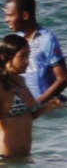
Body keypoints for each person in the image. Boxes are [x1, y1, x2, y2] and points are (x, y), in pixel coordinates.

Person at [5, 0, 65, 116]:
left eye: (10, 15)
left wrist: (38, 104)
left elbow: (63, 78)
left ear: (25, 15)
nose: (6, 19)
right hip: (27, 108)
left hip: (45, 110)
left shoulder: (47, 39)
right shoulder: (18, 40)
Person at [0, 33, 32, 161]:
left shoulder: (21, 81)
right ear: (6, 57)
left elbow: (26, 116)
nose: (27, 61)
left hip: (23, 159)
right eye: (22, 56)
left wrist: (46, 107)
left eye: (28, 55)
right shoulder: (1, 86)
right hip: (4, 160)